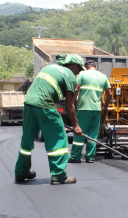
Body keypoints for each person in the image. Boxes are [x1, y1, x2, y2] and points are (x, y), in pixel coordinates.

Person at [14, 54, 84, 185]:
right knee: (58, 139)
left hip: (29, 103)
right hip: (44, 104)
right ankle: (58, 175)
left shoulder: (50, 68)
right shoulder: (69, 75)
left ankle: (21, 172)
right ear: (73, 66)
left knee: (27, 140)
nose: (78, 74)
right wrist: (76, 126)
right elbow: (70, 105)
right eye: (78, 70)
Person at [69, 60, 112, 163]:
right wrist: (105, 107)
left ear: (85, 67)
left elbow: (76, 89)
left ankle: (75, 157)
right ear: (95, 67)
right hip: (96, 109)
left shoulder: (82, 74)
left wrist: (72, 102)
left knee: (80, 132)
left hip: (83, 108)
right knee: (93, 134)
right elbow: (110, 94)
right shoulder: (103, 76)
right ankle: (90, 157)